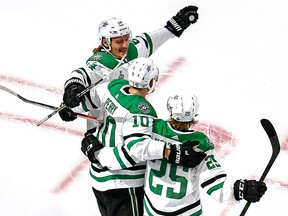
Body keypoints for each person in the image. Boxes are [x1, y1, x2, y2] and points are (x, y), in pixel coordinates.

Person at [78, 57, 207, 216]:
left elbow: (89, 98)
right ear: (151, 83)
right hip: (124, 184)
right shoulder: (142, 110)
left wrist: (73, 103)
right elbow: (137, 149)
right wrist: (172, 151)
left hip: (98, 180)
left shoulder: (113, 87)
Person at [58, 5, 199, 134]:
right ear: (106, 42)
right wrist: (72, 92)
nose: (125, 45)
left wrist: (175, 24)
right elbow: (80, 75)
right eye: (119, 41)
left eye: (126, 39)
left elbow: (154, 38)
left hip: (131, 118)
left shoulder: (133, 49)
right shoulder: (99, 64)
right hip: (103, 128)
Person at [142, 89, 267, 215]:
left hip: (151, 211)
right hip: (187, 211)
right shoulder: (200, 142)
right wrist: (241, 189)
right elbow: (213, 180)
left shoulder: (154, 129)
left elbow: (136, 148)